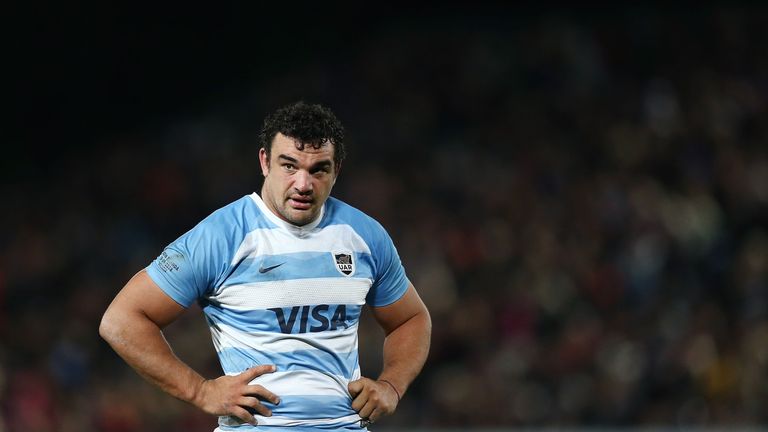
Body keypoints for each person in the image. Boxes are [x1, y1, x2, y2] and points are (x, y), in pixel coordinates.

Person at [99, 101, 432, 431]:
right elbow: (121, 320)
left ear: (336, 170)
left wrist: (391, 386)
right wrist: (200, 391)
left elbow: (411, 319)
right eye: (289, 166)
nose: (303, 184)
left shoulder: (364, 236)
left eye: (319, 169)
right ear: (264, 161)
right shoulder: (221, 237)